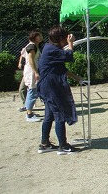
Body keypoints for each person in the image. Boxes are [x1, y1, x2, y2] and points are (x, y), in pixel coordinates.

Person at [37, 25, 83, 155]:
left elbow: (60, 69)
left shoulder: (49, 48)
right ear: (60, 39)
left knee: (49, 115)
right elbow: (69, 57)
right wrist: (71, 43)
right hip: (51, 87)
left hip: (46, 87)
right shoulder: (52, 50)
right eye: (64, 38)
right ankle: (63, 146)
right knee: (59, 115)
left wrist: (77, 77)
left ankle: (44, 143)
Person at [23, 29, 43, 122]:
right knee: (32, 91)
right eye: (39, 35)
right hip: (31, 71)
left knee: (31, 91)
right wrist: (35, 72)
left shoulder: (34, 46)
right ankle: (29, 115)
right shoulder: (32, 46)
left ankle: (29, 111)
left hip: (31, 70)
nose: (41, 37)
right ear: (35, 37)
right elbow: (31, 60)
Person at [17, 46, 27, 112]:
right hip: (27, 72)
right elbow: (22, 54)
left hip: (35, 72)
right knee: (22, 89)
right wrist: (20, 63)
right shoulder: (28, 47)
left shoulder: (39, 47)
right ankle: (26, 105)